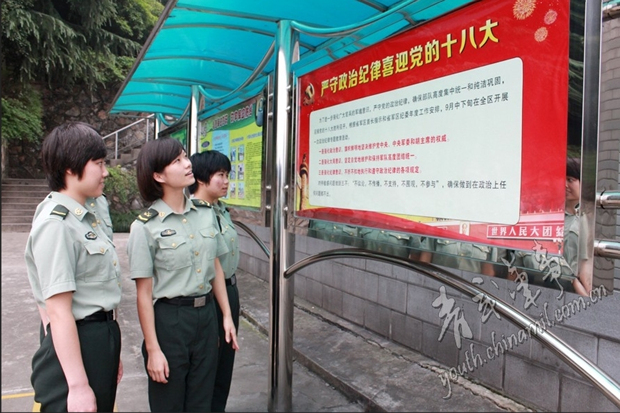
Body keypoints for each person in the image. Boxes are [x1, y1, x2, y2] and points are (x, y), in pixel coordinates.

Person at [127, 138, 239, 412]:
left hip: (206, 318)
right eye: (177, 161)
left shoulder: (205, 214)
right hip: (171, 321)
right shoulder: (145, 227)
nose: (188, 164)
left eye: (185, 157)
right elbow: (143, 294)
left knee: (202, 402)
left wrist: (226, 315)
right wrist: (153, 349)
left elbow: (215, 267)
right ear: (158, 175)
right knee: (169, 403)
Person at [24, 121, 123, 412]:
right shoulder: (56, 223)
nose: (105, 172)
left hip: (97, 338)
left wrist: (109, 348)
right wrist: (78, 386)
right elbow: (56, 309)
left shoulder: (86, 215)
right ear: (70, 167)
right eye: (99, 163)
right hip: (77, 341)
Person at [188, 150, 240, 412]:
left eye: (227, 175)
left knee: (224, 365)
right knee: (207, 367)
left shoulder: (220, 210)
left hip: (230, 290)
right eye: (220, 174)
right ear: (201, 178)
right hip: (209, 296)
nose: (226, 181)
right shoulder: (194, 213)